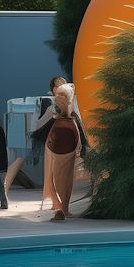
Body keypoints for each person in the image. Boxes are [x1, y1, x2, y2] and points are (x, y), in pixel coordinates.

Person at [43, 79, 83, 222]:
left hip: (65, 141)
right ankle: (62, 207)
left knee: (65, 176)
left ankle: (64, 207)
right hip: (60, 142)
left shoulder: (70, 114)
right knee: (60, 176)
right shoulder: (58, 110)